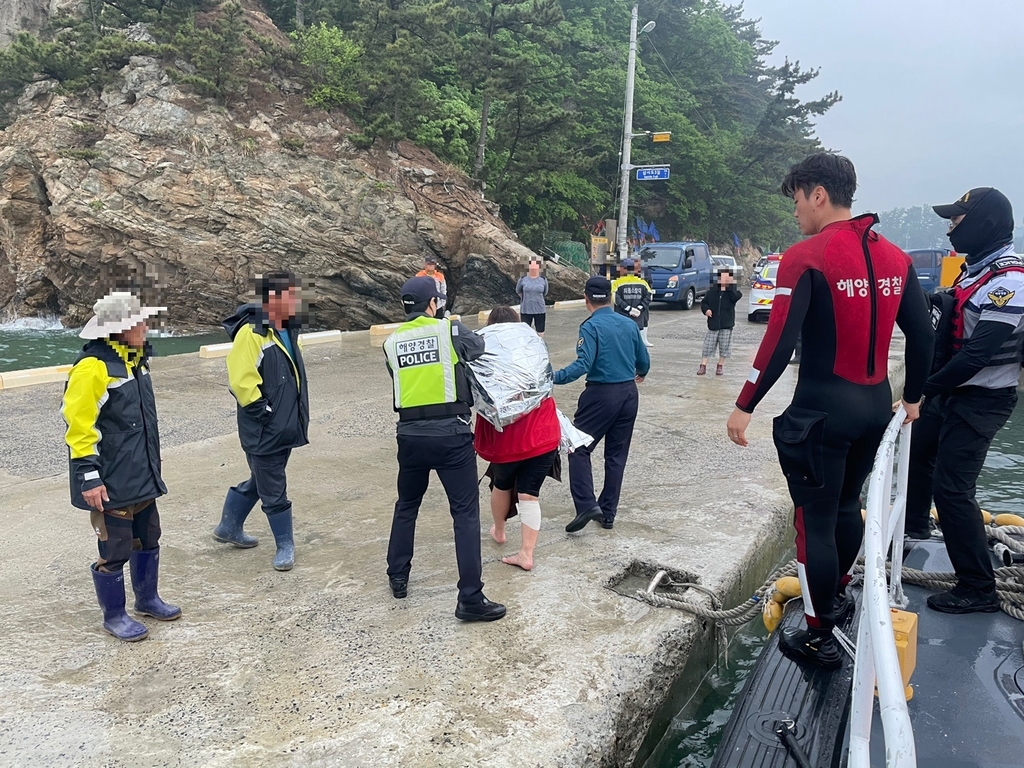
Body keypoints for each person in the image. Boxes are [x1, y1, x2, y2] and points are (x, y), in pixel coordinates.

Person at [725, 153, 933, 669]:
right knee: (845, 507)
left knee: (813, 521)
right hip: (873, 409)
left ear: (819, 194)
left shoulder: (806, 256)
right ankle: (836, 594)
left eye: (797, 200)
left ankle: (819, 635)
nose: (795, 212)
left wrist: (743, 406)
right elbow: (924, 333)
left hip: (819, 414)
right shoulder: (896, 258)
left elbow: (778, 342)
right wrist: (912, 399)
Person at [923, 187, 1024, 613]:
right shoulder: (973, 272)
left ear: (983, 223)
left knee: (952, 490)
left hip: (983, 400)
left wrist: (922, 391)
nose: (950, 228)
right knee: (924, 457)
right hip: (957, 395)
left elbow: (978, 355)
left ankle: (978, 588)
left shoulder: (1009, 281)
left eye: (958, 220)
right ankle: (911, 528)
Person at [382, 276, 506, 622]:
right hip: (451, 435)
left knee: (407, 505)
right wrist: (449, 322)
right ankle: (470, 598)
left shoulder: (391, 343)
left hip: (409, 436)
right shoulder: (448, 331)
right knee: (464, 513)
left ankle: (398, 576)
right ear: (434, 304)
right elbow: (479, 349)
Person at [63, 291, 181, 642]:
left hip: (140, 472)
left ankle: (147, 599)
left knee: (148, 536)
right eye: (140, 322)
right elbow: (79, 429)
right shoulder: (92, 368)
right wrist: (89, 478)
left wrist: (151, 457)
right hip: (110, 480)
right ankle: (114, 615)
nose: (146, 327)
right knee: (115, 548)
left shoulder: (135, 361)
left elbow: (142, 421)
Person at [213, 271, 309, 572]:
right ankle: (284, 545)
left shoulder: (288, 329)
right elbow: (241, 382)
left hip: (284, 425)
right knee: (273, 484)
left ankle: (228, 527)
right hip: (265, 428)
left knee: (264, 477)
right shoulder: (252, 333)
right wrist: (265, 415)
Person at [554, 276, 651, 532]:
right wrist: (641, 372)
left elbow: (583, 365)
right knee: (616, 456)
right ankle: (608, 514)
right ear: (610, 297)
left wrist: (554, 377)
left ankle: (586, 504)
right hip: (629, 394)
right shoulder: (629, 324)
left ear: (586, 298)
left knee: (578, 447)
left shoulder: (590, 327)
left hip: (600, 396)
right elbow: (644, 361)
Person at [474, 306, 561, 571]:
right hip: (543, 433)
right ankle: (526, 553)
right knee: (529, 493)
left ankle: (499, 530)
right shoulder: (534, 345)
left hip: (507, 439)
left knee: (501, 484)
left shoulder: (480, 348)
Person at [699, 268, 742, 375]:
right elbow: (704, 303)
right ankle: (703, 366)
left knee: (724, 347)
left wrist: (730, 287)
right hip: (713, 324)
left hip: (726, 324)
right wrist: (706, 310)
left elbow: (737, 296)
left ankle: (720, 366)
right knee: (708, 346)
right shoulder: (712, 290)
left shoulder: (732, 292)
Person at [612, 259, 654, 347]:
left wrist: (628, 309)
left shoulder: (616, 283)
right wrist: (639, 308)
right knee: (636, 345)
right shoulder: (643, 283)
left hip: (622, 319)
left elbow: (615, 298)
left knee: (623, 344)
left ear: (623, 269)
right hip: (637, 319)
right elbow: (649, 296)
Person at [516, 257, 549, 337]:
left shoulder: (543, 279)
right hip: (526, 309)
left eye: (535, 266)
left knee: (540, 331)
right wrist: (526, 299)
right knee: (525, 331)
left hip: (540, 309)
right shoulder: (523, 279)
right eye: (532, 265)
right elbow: (518, 291)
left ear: (539, 267)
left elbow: (545, 292)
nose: (533, 268)